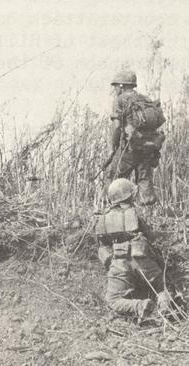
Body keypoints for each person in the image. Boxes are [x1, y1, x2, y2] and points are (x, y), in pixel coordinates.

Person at [95, 178, 172, 322]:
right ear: (129, 196)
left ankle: (140, 306)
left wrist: (111, 264)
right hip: (142, 258)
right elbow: (150, 237)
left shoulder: (102, 219)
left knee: (113, 300)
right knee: (162, 288)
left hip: (119, 261)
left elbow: (102, 248)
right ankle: (165, 310)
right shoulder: (135, 213)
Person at [108, 70, 165, 205]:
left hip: (129, 147)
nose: (114, 89)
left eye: (115, 86)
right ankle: (146, 212)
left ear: (121, 86)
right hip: (148, 147)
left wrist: (112, 148)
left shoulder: (120, 100)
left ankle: (111, 211)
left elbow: (116, 126)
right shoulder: (145, 99)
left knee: (115, 178)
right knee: (144, 180)